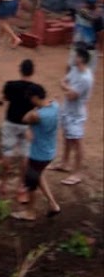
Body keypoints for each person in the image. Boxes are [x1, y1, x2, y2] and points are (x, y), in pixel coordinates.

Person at [11, 86, 60, 221]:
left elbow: (25, 118)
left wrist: (33, 108)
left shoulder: (37, 115)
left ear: (34, 98)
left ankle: (30, 212)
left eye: (31, 99)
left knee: (31, 182)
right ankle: (53, 205)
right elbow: (52, 100)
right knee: (39, 176)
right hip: (49, 151)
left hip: (38, 155)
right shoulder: (55, 106)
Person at [0, 58, 41, 198]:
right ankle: (21, 186)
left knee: (7, 153)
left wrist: (0, 101)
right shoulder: (36, 89)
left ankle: (3, 184)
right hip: (26, 126)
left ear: (20, 69)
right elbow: (38, 105)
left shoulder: (10, 85)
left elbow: (4, 98)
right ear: (32, 71)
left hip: (10, 122)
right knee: (24, 155)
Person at [55, 46, 93, 185]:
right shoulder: (75, 70)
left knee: (77, 143)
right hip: (67, 110)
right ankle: (64, 163)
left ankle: (77, 173)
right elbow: (63, 82)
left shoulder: (86, 78)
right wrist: (67, 88)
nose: (73, 57)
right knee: (67, 137)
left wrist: (65, 88)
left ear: (81, 58)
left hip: (76, 115)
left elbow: (71, 95)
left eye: (76, 55)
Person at [71, 0, 102, 75]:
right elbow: (100, 33)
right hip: (90, 48)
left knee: (75, 68)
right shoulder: (97, 16)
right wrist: (100, 45)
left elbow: (76, 23)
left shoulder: (78, 10)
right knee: (89, 71)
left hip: (78, 44)